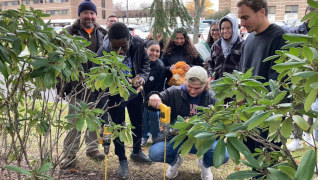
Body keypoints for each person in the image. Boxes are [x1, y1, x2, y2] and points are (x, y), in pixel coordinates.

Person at [147, 66, 229, 180]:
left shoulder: (212, 97)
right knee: (156, 153)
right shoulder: (174, 91)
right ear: (185, 81)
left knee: (223, 155)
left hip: (201, 140)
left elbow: (219, 124)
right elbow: (155, 102)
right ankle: (175, 161)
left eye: (197, 88)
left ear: (206, 84)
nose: (193, 91)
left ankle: (204, 164)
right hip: (176, 137)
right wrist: (154, 96)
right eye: (190, 86)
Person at [97, 22, 151, 179]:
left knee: (137, 122)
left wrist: (143, 76)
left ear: (130, 39)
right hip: (115, 94)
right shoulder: (103, 52)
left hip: (135, 91)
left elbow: (145, 64)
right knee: (118, 126)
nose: (120, 52)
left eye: (124, 47)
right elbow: (100, 83)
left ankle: (136, 151)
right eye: (115, 48)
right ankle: (122, 160)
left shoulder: (139, 44)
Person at [237, 0, 287, 160]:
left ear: (262, 12)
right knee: (253, 161)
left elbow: (279, 84)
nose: (242, 23)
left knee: (267, 164)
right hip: (249, 114)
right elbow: (241, 75)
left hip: (269, 114)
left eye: (245, 17)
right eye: (240, 18)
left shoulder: (280, 38)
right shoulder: (248, 40)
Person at [61, 0, 107, 168]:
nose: (90, 16)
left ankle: (92, 148)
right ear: (79, 14)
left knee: (93, 121)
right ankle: (69, 154)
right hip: (76, 87)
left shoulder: (103, 33)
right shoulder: (68, 33)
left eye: (92, 13)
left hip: (97, 87)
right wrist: (63, 87)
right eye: (86, 12)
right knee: (74, 123)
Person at [287, 6, 316, 151]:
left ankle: (309, 133)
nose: (310, 20)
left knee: (313, 107)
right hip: (299, 76)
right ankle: (297, 137)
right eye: (308, 16)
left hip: (315, 77)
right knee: (297, 107)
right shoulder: (296, 32)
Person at [141, 40, 166, 146]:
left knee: (153, 114)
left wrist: (152, 97)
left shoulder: (160, 66)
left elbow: (159, 86)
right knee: (143, 116)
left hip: (153, 96)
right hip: (140, 95)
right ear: (146, 49)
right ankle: (143, 136)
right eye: (152, 50)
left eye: (157, 51)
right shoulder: (140, 62)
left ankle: (156, 135)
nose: (154, 53)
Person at [207, 13, 243, 80]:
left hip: (235, 86)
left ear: (234, 28)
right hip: (217, 85)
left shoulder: (242, 45)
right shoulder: (216, 45)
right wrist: (210, 75)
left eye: (228, 28)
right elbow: (210, 63)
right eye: (222, 28)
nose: (225, 31)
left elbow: (245, 67)